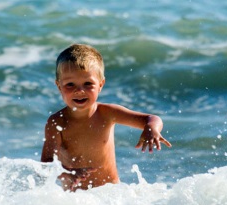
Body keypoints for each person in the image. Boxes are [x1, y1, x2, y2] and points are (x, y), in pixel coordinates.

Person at [41, 44, 171, 191]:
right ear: (59, 86)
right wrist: (66, 173)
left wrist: (151, 128)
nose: (79, 90)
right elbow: (46, 163)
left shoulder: (107, 113)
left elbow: (152, 118)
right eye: (70, 84)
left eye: (88, 83)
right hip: (76, 201)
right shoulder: (57, 122)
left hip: (111, 195)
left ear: (101, 84)